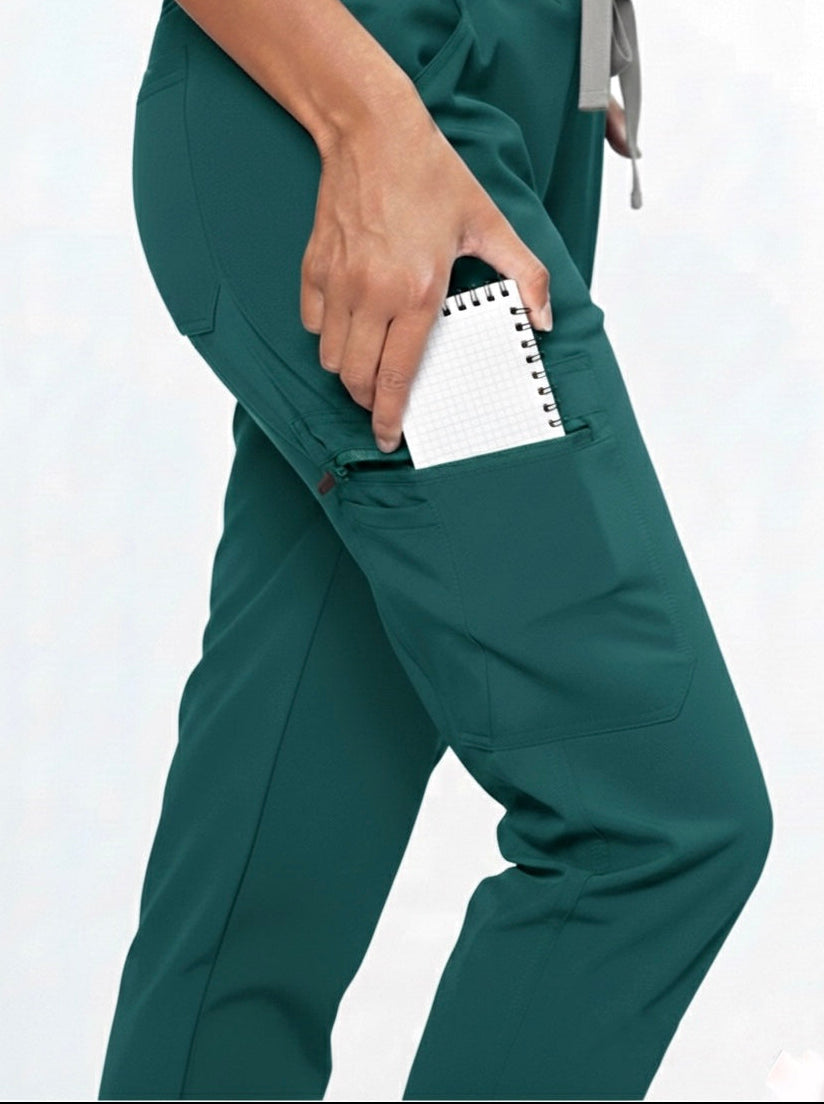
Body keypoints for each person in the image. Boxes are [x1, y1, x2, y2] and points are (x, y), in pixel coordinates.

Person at [99, 0, 773, 1099]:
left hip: (470, 113)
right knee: (653, 819)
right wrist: (368, 125)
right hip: (355, 99)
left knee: (285, 830)